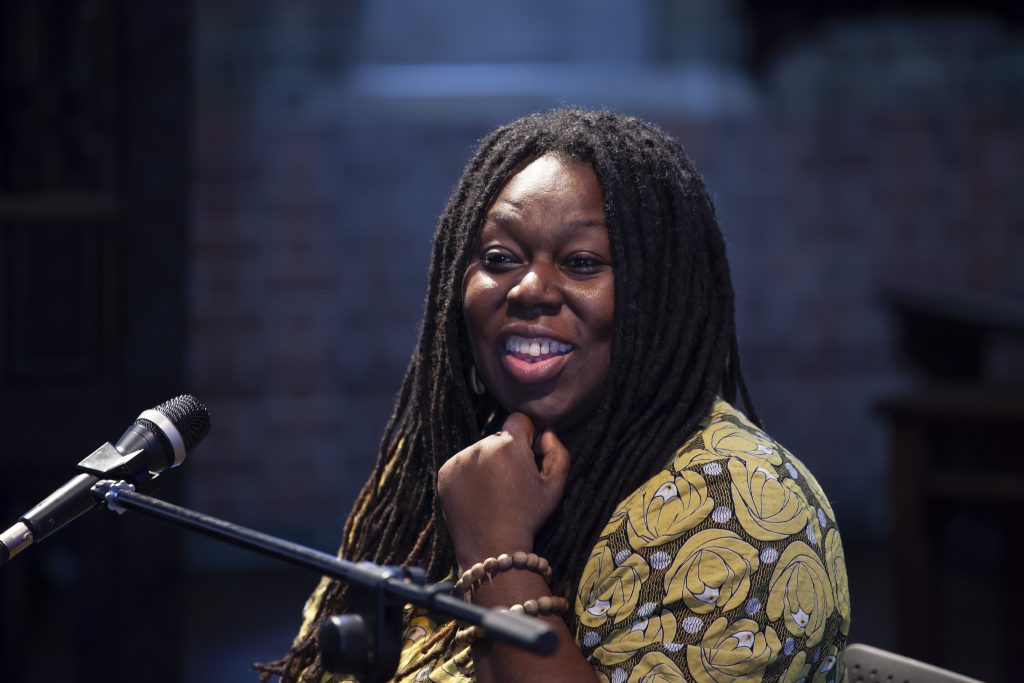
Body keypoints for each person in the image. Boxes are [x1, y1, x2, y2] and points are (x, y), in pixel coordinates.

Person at [259, 108, 851, 682]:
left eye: (582, 262)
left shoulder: (745, 511)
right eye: (499, 258)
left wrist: (496, 552)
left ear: (662, 293)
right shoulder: (445, 461)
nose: (531, 287)